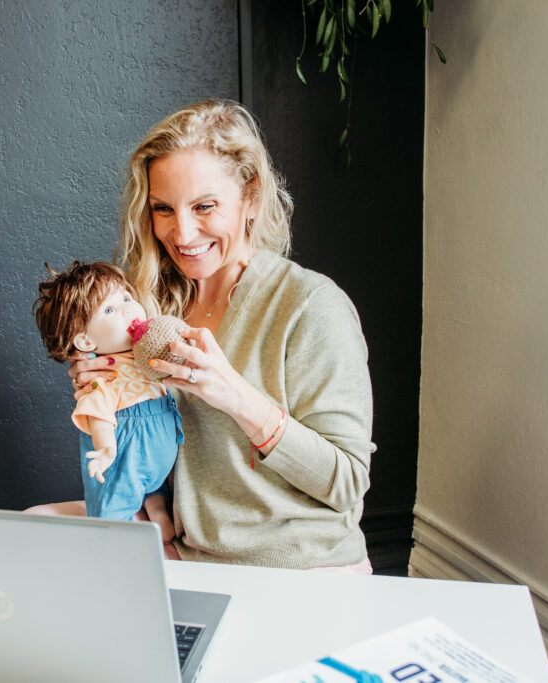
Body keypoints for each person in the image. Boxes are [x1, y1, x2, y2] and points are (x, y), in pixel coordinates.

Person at [41, 99, 376, 572]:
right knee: (34, 533)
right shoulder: (153, 307)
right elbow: (155, 454)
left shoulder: (311, 306)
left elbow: (345, 482)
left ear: (251, 196)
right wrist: (106, 384)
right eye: (163, 209)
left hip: (298, 572)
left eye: (204, 206)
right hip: (192, 558)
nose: (182, 232)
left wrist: (235, 395)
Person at [33, 261, 183, 520]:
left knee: (157, 499)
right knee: (114, 509)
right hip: (125, 462)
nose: (127, 309)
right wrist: (105, 449)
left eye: (126, 297)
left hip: (161, 471)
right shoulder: (101, 376)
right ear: (86, 341)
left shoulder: (145, 353)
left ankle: (158, 508)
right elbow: (99, 414)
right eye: (110, 309)